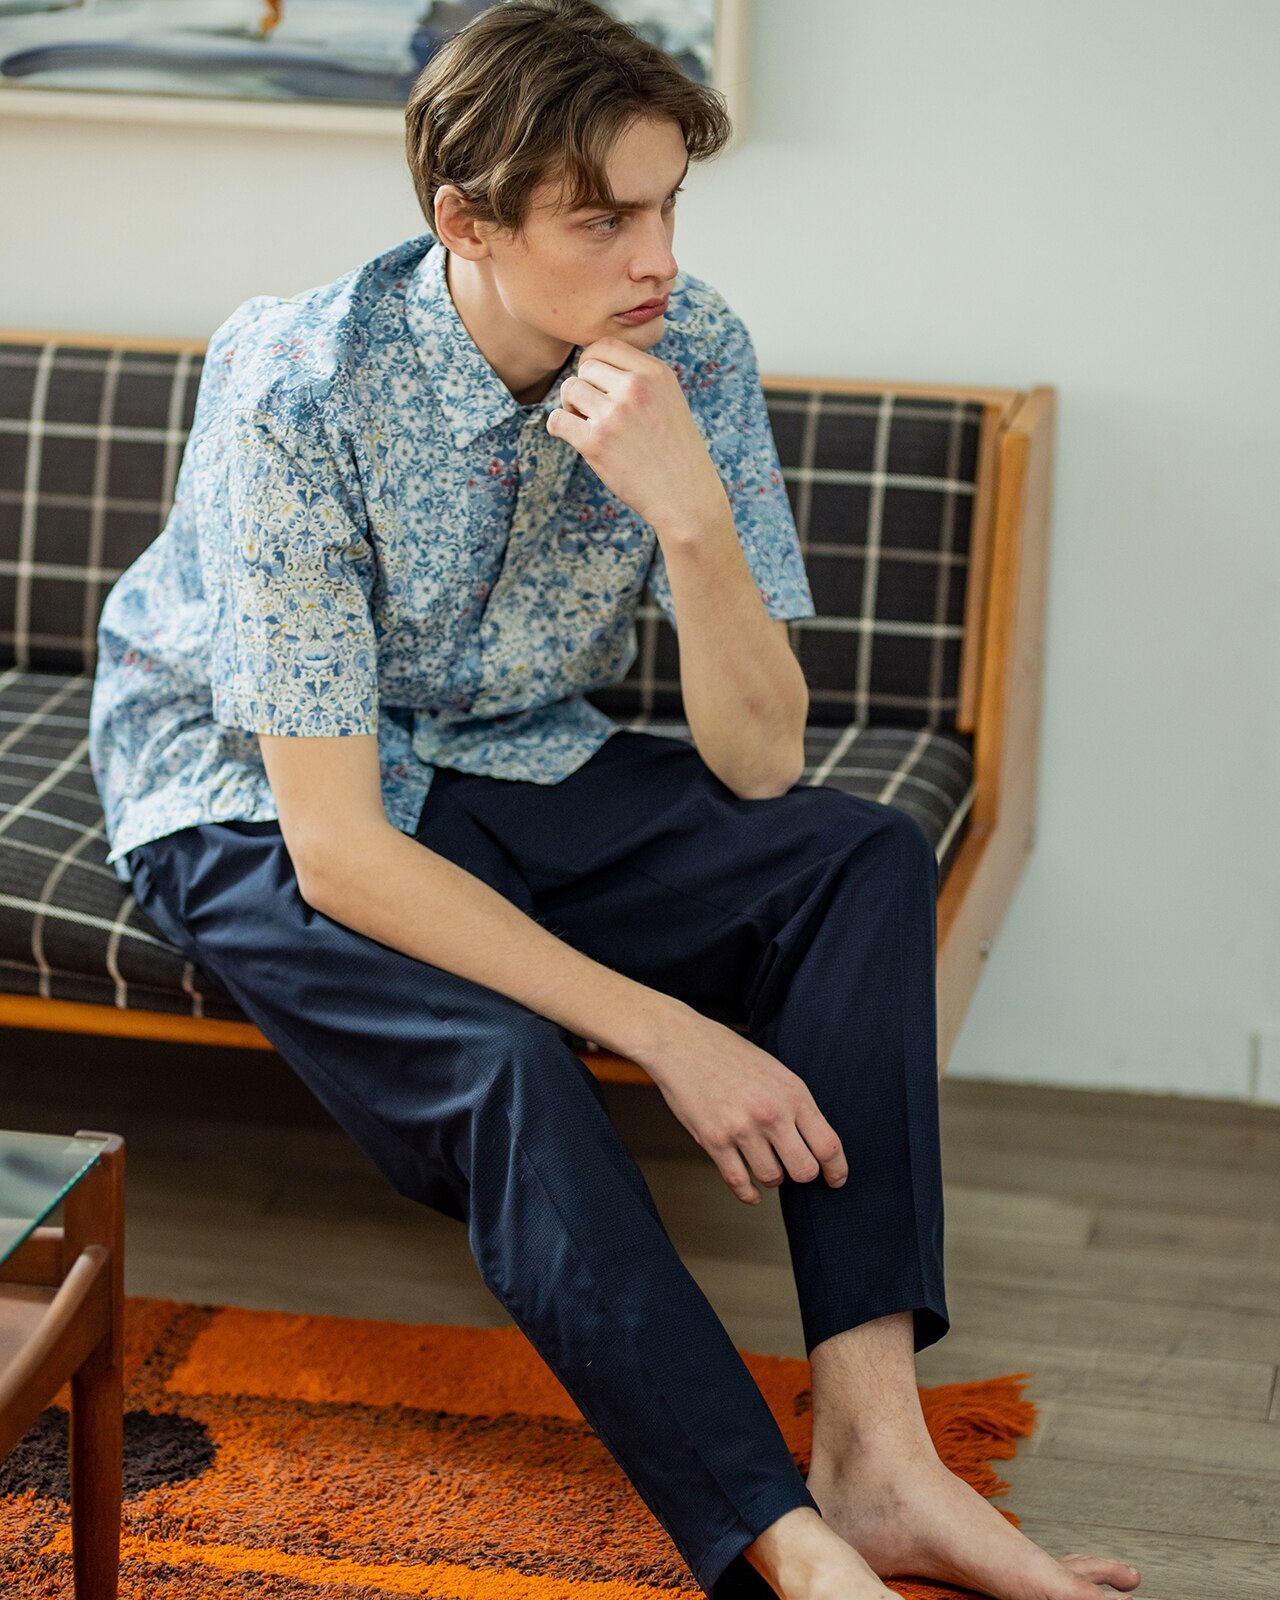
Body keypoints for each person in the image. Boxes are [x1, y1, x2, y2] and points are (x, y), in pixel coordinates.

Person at [88, 3, 1143, 1598]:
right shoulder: (295, 385)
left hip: (517, 745)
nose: (657, 259)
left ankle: (880, 1462)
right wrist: (666, 1030)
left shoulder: (689, 346)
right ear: (467, 222)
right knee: (507, 1063)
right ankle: (786, 1544)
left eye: (668, 207)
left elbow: (765, 764)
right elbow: (343, 850)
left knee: (856, 858)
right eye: (604, 221)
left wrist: (693, 517)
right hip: (248, 788)